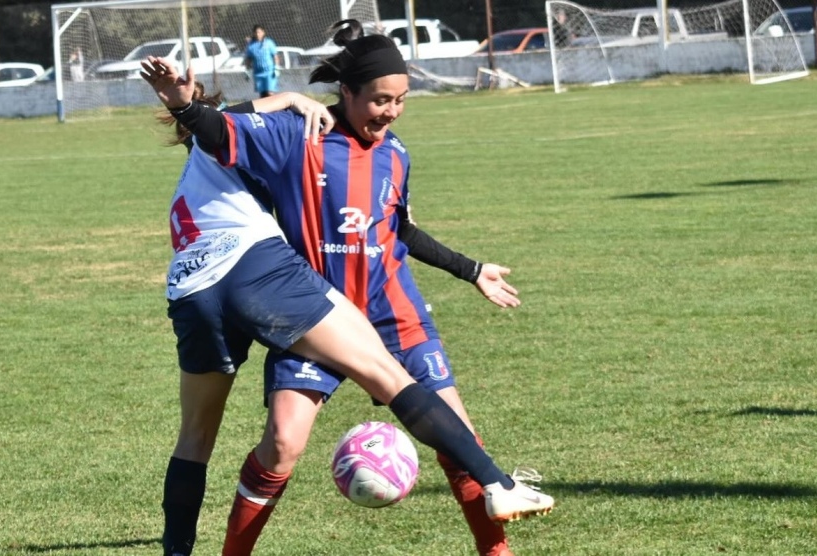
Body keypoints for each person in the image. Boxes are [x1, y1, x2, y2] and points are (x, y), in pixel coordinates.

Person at [142, 20, 554, 556]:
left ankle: (498, 547)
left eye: (402, 100)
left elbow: (398, 228)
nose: (391, 111)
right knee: (283, 445)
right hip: (314, 310)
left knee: (460, 441)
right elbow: (221, 133)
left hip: (394, 312)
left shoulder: (396, 153)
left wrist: (470, 269)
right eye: (381, 99)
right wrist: (211, 104)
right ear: (347, 92)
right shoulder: (300, 135)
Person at [243, 24, 279, 98]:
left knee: (270, 93)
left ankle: (274, 108)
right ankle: (265, 109)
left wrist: (277, 68)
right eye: (256, 32)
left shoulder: (269, 43)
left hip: (269, 72)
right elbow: (248, 59)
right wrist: (247, 70)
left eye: (259, 32)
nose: (257, 34)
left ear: (263, 32)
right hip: (258, 73)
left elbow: (275, 56)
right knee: (262, 95)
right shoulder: (251, 45)